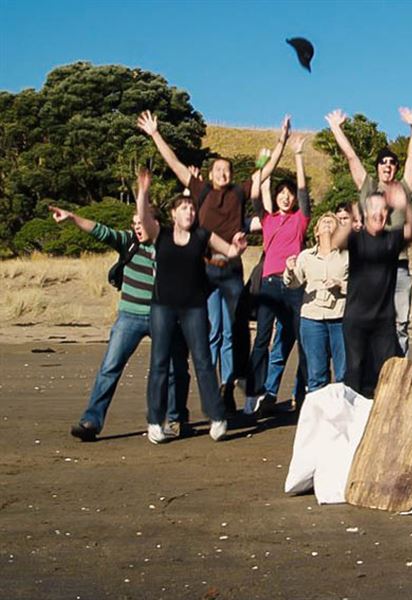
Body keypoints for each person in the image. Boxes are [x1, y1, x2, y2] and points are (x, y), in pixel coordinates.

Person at [137, 111, 290, 410]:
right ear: (209, 174)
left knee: (234, 328)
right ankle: (212, 386)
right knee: (213, 330)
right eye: (218, 169)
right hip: (203, 268)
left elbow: (266, 171)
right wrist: (156, 134)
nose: (223, 173)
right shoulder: (200, 189)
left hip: (231, 267)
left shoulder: (239, 192)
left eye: (227, 170)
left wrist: (281, 139)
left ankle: (228, 383)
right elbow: (175, 164)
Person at [52, 206, 190, 442]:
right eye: (134, 222)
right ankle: (91, 422)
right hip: (129, 316)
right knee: (110, 367)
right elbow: (101, 231)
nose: (136, 226)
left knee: (173, 370)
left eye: (141, 222)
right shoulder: (128, 242)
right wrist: (73, 218)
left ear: (155, 223)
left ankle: (176, 419)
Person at [133, 169, 248, 443]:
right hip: (162, 307)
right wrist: (143, 190)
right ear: (174, 214)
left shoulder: (202, 235)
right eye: (184, 208)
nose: (189, 212)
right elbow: (145, 219)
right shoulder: (159, 234)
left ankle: (217, 417)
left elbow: (229, 252)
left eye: (192, 209)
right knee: (159, 362)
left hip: (194, 307)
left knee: (203, 361)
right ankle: (155, 422)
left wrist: (238, 248)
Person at [325, 107, 412, 356]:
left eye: (391, 162)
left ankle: (399, 375)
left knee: (400, 324)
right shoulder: (368, 187)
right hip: (368, 267)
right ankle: (369, 377)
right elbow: (352, 158)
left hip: (398, 266)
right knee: (368, 324)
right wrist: (336, 128)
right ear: (377, 167)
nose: (387, 165)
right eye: (382, 162)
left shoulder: (403, 189)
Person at [245, 136, 313, 414]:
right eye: (280, 193)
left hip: (294, 284)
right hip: (269, 284)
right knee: (262, 338)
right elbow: (254, 192)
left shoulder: (301, 219)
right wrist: (264, 162)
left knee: (302, 338)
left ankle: (303, 393)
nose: (286, 196)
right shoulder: (268, 219)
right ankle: (254, 393)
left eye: (289, 194)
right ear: (274, 197)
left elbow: (303, 190)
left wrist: (297, 155)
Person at [333, 185, 412, 397]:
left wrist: (405, 205)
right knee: (355, 372)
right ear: (365, 212)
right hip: (356, 319)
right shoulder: (356, 237)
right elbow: (336, 241)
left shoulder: (392, 238)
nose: (378, 214)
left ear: (387, 213)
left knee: (386, 374)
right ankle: (353, 422)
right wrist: (351, 216)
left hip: (383, 320)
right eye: (373, 209)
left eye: (383, 209)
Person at [284, 212, 348, 394]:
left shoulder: (347, 256)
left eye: (332, 222)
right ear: (316, 232)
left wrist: (340, 284)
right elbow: (294, 282)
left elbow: (359, 287)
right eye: (323, 222)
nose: (327, 224)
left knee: (343, 374)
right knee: (316, 375)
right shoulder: (305, 256)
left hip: (340, 318)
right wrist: (289, 270)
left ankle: (343, 417)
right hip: (312, 319)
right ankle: (318, 419)